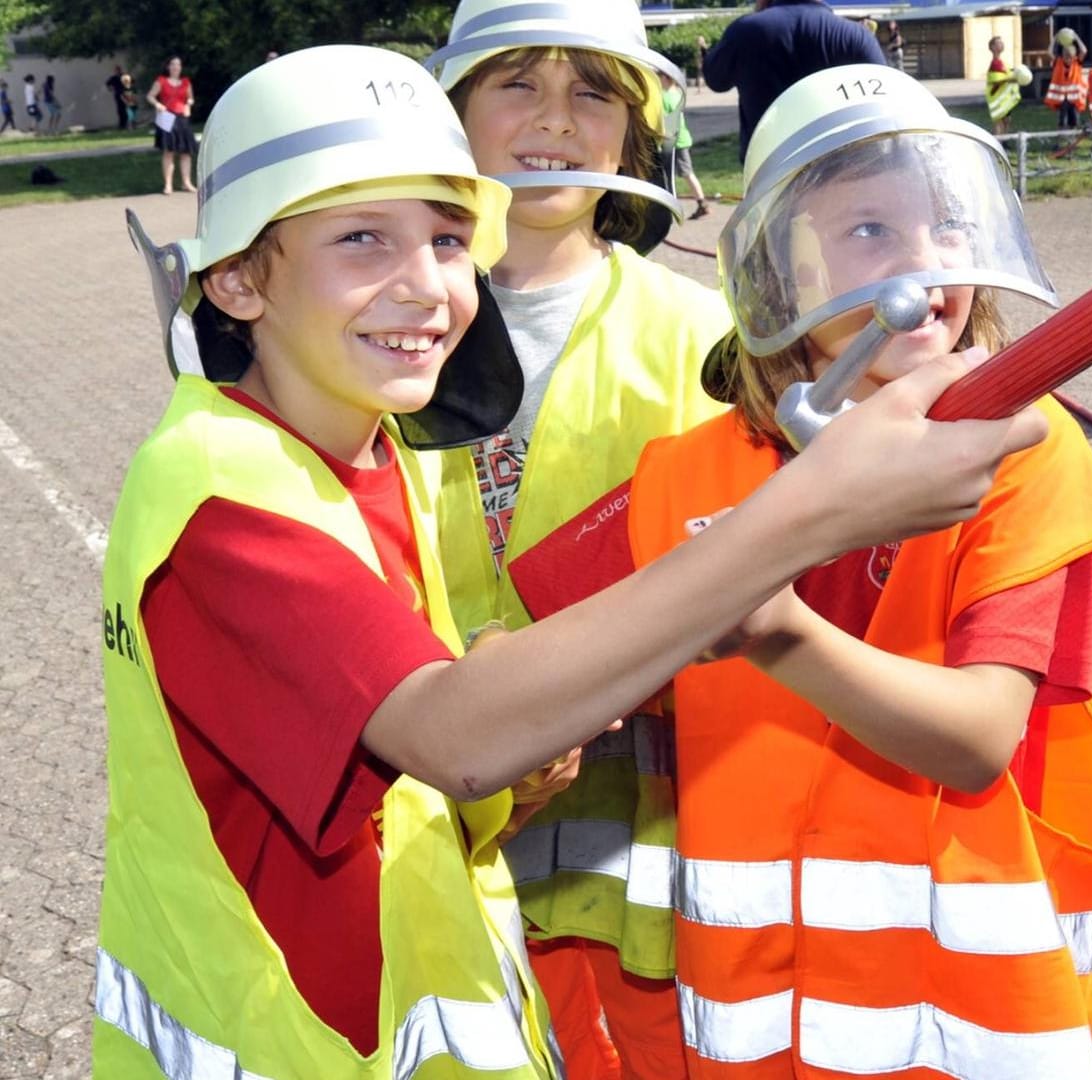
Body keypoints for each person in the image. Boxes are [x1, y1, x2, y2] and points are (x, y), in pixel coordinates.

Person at [105, 42, 1040, 1080]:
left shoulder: (369, 453)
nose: (424, 286)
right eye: (363, 239)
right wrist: (811, 512)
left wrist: (515, 775)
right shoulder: (223, 493)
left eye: (451, 239)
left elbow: (415, 762)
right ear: (236, 279)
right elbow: (454, 735)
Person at [643, 63, 1092, 1077]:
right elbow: (561, 657)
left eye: (949, 225)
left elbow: (978, 739)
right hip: (757, 1016)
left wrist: (773, 627)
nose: (925, 263)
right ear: (775, 270)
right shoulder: (685, 473)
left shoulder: (1024, 450)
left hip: (958, 1021)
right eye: (870, 230)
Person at [424, 0, 725, 1071]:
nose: (554, 118)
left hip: (643, 839)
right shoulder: (384, 323)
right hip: (434, 815)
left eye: (592, 90)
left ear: (632, 134)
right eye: (516, 84)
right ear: (451, 111)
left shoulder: (702, 337)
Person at [703, 0, 887, 160]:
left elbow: (715, 80)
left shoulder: (745, 31)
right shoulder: (855, 35)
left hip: (766, 169)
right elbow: (885, 101)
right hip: (838, 166)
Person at [663, 73, 712, 219]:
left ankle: (672, 207)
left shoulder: (664, 97)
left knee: (673, 175)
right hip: (681, 140)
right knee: (685, 173)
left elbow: (664, 122)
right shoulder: (676, 93)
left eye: (658, 76)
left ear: (665, 78)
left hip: (673, 142)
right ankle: (701, 203)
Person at [146, 56, 196, 195]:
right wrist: (157, 104)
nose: (175, 67)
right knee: (169, 152)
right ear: (168, 67)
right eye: (173, 64)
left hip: (182, 118)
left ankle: (186, 182)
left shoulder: (186, 82)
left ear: (181, 67)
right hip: (167, 117)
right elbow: (150, 96)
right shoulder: (161, 81)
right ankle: (168, 185)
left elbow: (190, 98)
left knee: (186, 152)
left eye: (178, 64)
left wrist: (188, 104)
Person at [1043, 28, 1088, 133]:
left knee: (1074, 121)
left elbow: (1084, 50)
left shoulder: (1077, 63)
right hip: (1061, 99)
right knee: (1062, 121)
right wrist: (1055, 38)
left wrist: (1075, 36)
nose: (1068, 58)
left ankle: (1071, 141)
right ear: (1063, 55)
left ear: (1073, 55)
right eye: (1066, 55)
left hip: (1074, 99)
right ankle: (1060, 141)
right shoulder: (1057, 62)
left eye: (1070, 56)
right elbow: (1048, 52)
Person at [984, 35, 1024, 136]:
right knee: (999, 122)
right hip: (997, 99)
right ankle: (999, 142)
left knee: (1006, 120)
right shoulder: (995, 63)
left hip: (1004, 99)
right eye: (998, 43)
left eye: (1002, 43)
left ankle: (1003, 141)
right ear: (992, 47)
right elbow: (996, 81)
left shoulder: (1002, 62)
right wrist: (1011, 79)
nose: (1002, 45)